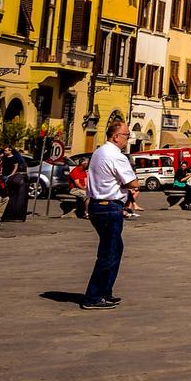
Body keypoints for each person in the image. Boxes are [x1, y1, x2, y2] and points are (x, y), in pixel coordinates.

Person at [82, 119, 139, 309]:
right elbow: (133, 183)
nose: (127, 139)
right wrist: (129, 185)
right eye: (126, 136)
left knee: (115, 248)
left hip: (96, 205)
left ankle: (105, 291)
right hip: (109, 206)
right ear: (115, 136)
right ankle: (94, 296)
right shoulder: (116, 156)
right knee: (108, 252)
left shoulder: (98, 152)